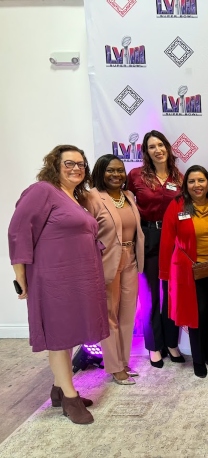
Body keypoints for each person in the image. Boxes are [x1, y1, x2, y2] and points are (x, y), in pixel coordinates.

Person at [8, 145, 109, 424]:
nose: (76, 168)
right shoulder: (42, 191)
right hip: (53, 279)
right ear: (55, 165)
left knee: (69, 334)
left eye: (81, 164)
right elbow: (19, 230)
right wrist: (20, 275)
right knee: (58, 337)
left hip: (78, 278)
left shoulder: (75, 197)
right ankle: (70, 399)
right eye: (69, 163)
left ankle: (58, 389)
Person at [159, 165, 208, 379]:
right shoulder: (177, 206)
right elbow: (166, 241)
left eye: (201, 180)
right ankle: (198, 359)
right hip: (191, 270)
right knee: (196, 315)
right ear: (186, 185)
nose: (197, 185)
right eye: (192, 181)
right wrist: (164, 273)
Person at [127, 130, 185, 368]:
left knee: (172, 295)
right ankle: (153, 346)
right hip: (148, 237)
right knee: (150, 296)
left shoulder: (179, 176)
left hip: (174, 239)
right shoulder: (135, 175)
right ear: (146, 152)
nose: (158, 150)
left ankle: (171, 343)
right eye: (152, 147)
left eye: (161, 145)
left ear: (168, 148)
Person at [86, 154, 144, 385]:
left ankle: (123, 361)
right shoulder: (92, 197)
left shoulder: (128, 196)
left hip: (130, 260)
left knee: (128, 314)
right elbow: (86, 232)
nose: (116, 175)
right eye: (110, 170)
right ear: (100, 172)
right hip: (106, 262)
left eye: (120, 170)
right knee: (109, 315)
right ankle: (114, 367)